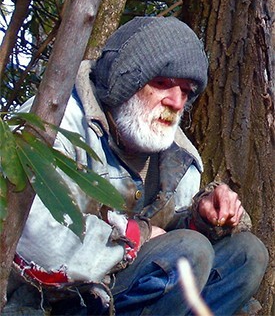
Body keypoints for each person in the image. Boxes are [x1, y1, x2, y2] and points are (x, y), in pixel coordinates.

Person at [4, 17, 268, 316]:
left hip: (128, 292)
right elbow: (40, 241)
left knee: (247, 254)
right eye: (163, 83)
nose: (176, 102)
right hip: (54, 299)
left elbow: (169, 238)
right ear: (125, 79)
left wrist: (204, 217)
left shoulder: (180, 157)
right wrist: (135, 235)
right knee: (188, 251)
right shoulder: (54, 124)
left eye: (186, 90)